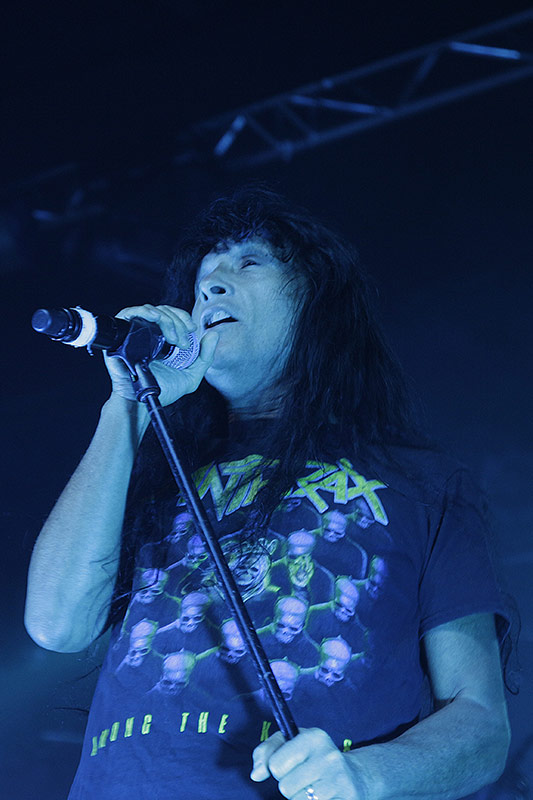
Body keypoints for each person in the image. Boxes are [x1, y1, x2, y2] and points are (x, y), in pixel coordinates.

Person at [25, 188, 512, 800]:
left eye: (248, 262)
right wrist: (129, 404)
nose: (211, 286)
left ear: (316, 300)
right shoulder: (152, 470)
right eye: (203, 278)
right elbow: (56, 624)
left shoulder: (423, 484)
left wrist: (365, 775)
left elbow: (480, 723)